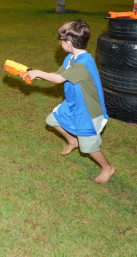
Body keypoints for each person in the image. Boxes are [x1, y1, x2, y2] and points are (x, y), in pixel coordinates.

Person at [22, 20, 115, 183]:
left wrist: (38, 73)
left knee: (88, 147)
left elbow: (58, 79)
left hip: (89, 112)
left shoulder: (82, 64)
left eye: (61, 40)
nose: (60, 43)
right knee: (52, 120)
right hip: (74, 105)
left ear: (69, 43)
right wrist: (33, 73)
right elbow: (57, 75)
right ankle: (72, 140)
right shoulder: (71, 58)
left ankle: (108, 167)